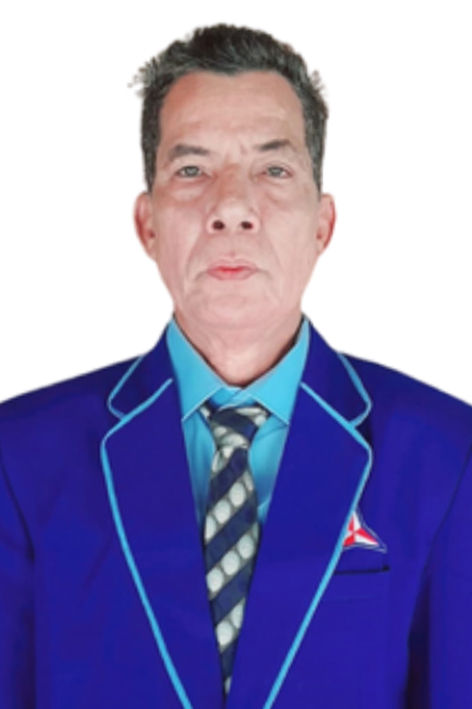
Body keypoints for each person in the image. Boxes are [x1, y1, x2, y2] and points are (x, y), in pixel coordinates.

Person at [0, 23, 471, 709]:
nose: (230, 207)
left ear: (322, 224)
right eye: (192, 170)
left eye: (273, 170)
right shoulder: (20, 457)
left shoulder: (445, 456)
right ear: (147, 224)